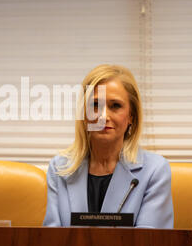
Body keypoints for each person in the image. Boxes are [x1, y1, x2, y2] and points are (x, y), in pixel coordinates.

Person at [43, 64, 173, 228]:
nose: (103, 116)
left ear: (131, 116)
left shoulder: (154, 170)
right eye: (95, 105)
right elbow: (50, 242)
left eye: (115, 106)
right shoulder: (59, 168)